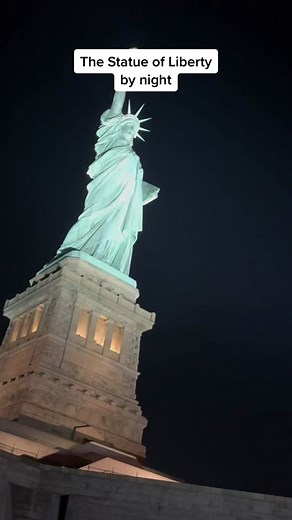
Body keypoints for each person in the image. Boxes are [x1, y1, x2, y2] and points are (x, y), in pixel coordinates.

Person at [55, 91, 159, 275]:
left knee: (116, 230)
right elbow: (117, 102)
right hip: (105, 186)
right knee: (92, 216)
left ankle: (106, 261)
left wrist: (143, 193)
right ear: (118, 127)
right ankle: (69, 251)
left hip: (124, 198)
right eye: (129, 126)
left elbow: (134, 184)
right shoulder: (109, 139)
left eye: (135, 130)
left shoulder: (133, 157)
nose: (132, 131)